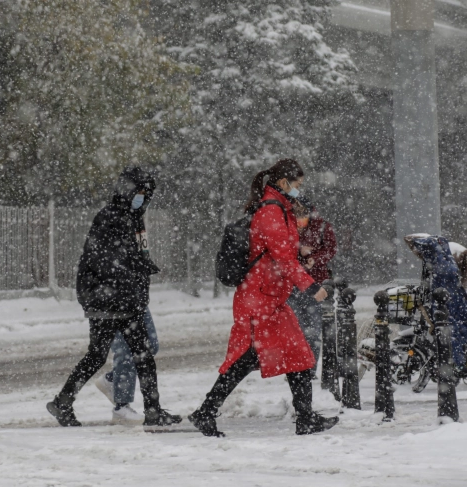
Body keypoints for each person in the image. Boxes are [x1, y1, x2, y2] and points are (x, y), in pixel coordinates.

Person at [188, 159, 338, 437]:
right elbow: (281, 256)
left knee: (297, 355)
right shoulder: (271, 210)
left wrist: (301, 253)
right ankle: (205, 412)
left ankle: (305, 418)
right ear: (283, 183)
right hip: (259, 299)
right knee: (248, 358)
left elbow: (280, 251)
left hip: (270, 299)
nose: (298, 189)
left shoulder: (281, 208)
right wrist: (310, 286)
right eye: (296, 184)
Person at [46, 166, 181, 428]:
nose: (144, 198)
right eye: (141, 192)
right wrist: (133, 270)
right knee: (141, 354)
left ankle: (63, 402)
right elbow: (105, 261)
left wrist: (143, 265)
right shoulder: (113, 217)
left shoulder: (132, 217)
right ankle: (150, 411)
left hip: (117, 298)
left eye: (147, 194)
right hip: (113, 299)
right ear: (128, 191)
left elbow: (129, 256)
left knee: (101, 355)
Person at [287, 199, 337, 380]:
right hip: (292, 284)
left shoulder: (322, 227)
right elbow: (280, 249)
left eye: (303, 213)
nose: (300, 218)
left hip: (314, 284)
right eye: (296, 213)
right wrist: (298, 249)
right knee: (294, 328)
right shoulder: (287, 225)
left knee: (313, 329)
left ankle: (309, 369)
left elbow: (331, 249)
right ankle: (295, 369)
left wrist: (315, 258)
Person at [94, 308, 159, 424]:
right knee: (126, 352)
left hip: (136, 299)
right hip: (113, 303)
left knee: (150, 346)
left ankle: (112, 379)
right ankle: (121, 408)